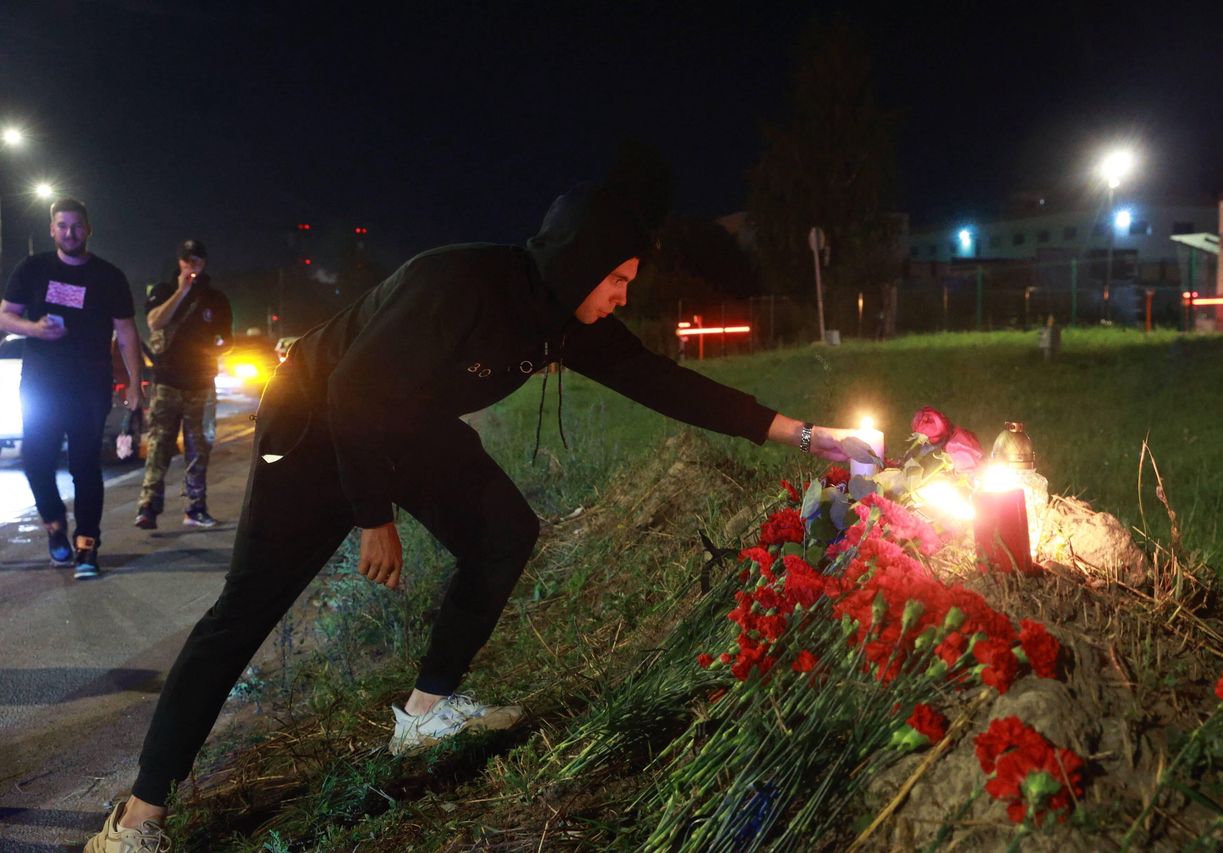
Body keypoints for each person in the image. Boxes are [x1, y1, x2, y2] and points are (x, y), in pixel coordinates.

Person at [85, 171, 853, 850]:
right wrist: (372, 516)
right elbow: (352, 389)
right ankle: (139, 818)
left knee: (504, 532)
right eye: (617, 278)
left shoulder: (562, 317)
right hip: (316, 425)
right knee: (246, 611)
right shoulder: (457, 284)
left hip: (403, 427)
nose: (625, 294)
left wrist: (806, 434)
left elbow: (664, 383)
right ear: (579, 262)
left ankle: (424, 712)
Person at [0, 198, 143, 580]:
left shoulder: (108, 276)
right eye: (62, 225)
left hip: (89, 385)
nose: (69, 232)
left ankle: (87, 547)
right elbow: (5, 315)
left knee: (84, 466)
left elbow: (127, 333)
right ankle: (54, 525)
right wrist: (34, 329)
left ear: (88, 229)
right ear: (52, 229)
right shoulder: (33, 268)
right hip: (41, 384)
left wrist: (134, 384)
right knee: (36, 461)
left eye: (76, 225)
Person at [134, 239, 232, 529]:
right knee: (159, 445)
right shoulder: (163, 291)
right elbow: (153, 322)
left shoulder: (216, 298)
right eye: (187, 260)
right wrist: (182, 290)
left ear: (204, 262)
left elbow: (227, 339)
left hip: (201, 382)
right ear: (179, 262)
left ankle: (195, 508)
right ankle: (148, 508)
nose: (192, 265)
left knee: (199, 447)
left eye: (197, 260)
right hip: (166, 382)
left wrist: (215, 347)